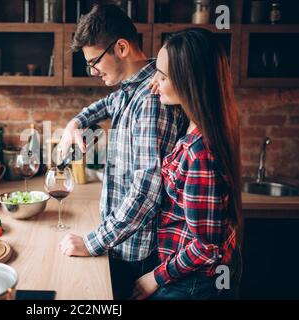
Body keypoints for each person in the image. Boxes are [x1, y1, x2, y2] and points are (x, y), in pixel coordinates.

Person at [57, 4, 186, 299]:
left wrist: (92, 242)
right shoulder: (131, 90)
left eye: (95, 61)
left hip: (138, 252)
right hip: (121, 243)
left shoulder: (151, 101)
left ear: (122, 48)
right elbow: (106, 105)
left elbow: (147, 190)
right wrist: (76, 122)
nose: (92, 71)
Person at [131, 28, 243, 300]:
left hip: (191, 284)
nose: (153, 83)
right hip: (187, 277)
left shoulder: (199, 151)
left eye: (163, 76)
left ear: (190, 81)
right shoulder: (194, 128)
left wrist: (154, 278)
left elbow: (206, 246)